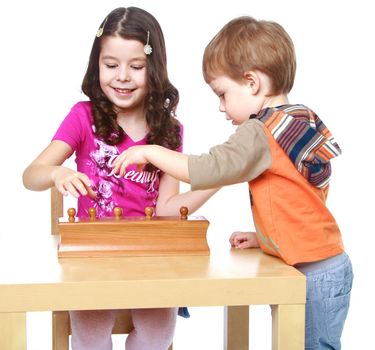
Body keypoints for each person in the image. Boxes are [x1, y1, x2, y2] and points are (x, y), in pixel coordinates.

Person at [111, 16, 353, 349]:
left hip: (314, 273)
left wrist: (152, 152)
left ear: (252, 83)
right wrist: (267, 236)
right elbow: (304, 197)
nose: (221, 107)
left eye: (223, 94)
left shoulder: (261, 130)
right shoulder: (298, 119)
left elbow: (210, 168)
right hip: (323, 266)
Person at [23, 7, 218, 350]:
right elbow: (31, 176)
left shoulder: (168, 131)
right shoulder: (83, 117)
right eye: (111, 65)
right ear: (96, 65)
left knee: (159, 335)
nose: (123, 77)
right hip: (92, 254)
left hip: (151, 255)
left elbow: (169, 209)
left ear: (153, 69)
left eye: (137, 67)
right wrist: (57, 171)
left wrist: (217, 179)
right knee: (90, 333)